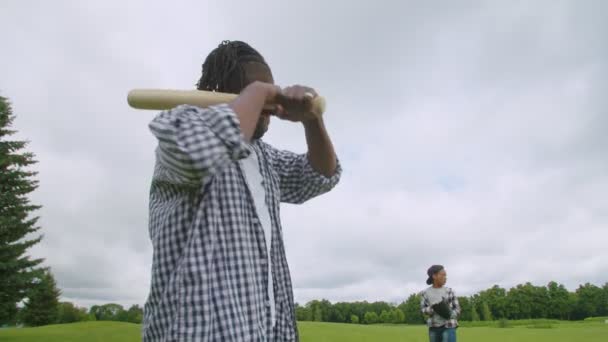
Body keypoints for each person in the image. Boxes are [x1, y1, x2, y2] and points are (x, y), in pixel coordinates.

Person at [142, 40, 341, 341]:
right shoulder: (181, 129)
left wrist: (313, 121)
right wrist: (259, 94)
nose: (270, 106)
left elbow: (320, 175)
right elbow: (202, 149)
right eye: (254, 89)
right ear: (216, 92)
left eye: (271, 89)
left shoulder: (265, 158)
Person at [420, 265, 461, 342]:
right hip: (433, 327)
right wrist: (433, 309)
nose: (445, 277)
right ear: (434, 276)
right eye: (443, 275)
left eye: (446, 275)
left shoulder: (450, 291)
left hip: (449, 325)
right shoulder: (425, 293)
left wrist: (449, 313)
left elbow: (457, 309)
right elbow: (423, 309)